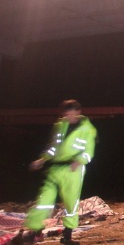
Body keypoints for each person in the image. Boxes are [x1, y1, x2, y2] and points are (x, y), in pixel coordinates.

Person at [22, 100, 97, 245]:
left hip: (73, 170)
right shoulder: (59, 126)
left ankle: (67, 236)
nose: (66, 116)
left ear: (77, 112)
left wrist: (79, 161)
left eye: (69, 113)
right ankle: (35, 231)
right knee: (44, 200)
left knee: (71, 203)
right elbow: (53, 147)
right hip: (55, 168)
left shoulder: (88, 129)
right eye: (64, 113)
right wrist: (42, 160)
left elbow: (89, 151)